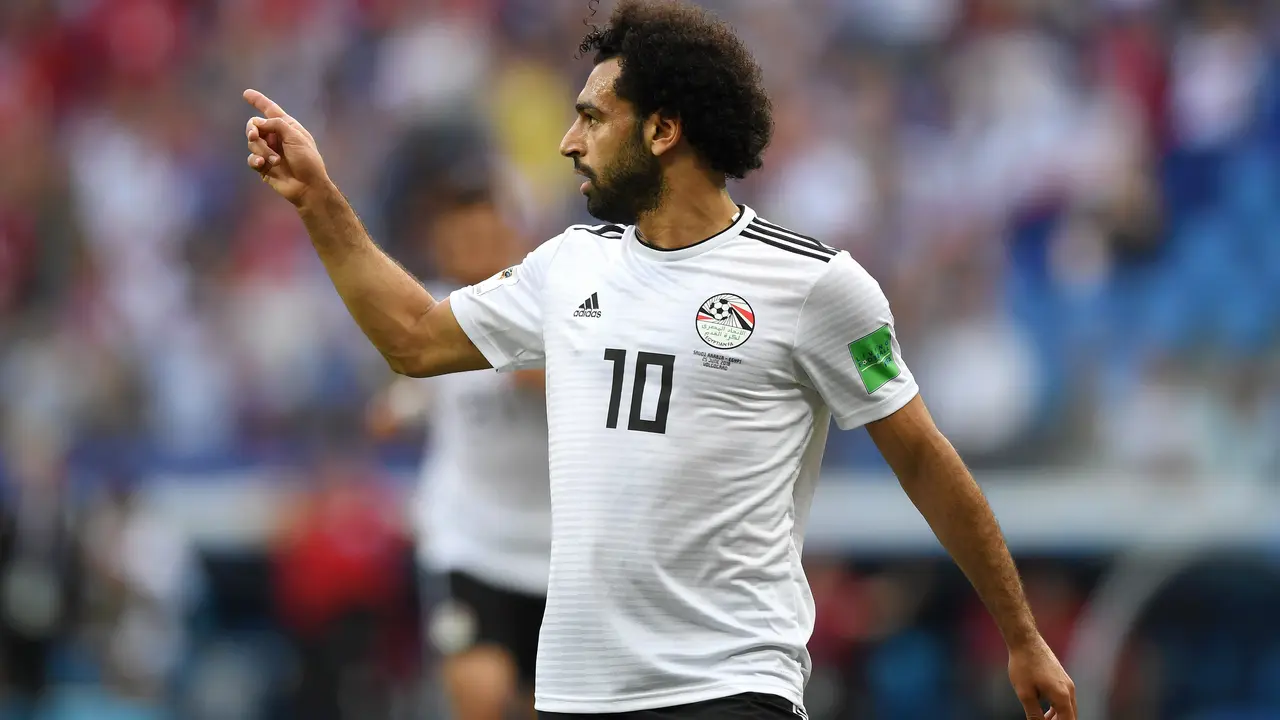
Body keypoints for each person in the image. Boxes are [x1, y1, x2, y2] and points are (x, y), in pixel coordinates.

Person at [240, 1, 1077, 718]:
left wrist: (1022, 636)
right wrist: (318, 199)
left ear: (663, 130)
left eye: (593, 118)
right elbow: (414, 336)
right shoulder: (568, 267)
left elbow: (927, 461)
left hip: (729, 684)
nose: (569, 142)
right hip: (578, 694)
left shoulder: (816, 286)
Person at [368, 120, 551, 720]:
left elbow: (566, 383)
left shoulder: (552, 303)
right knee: (479, 694)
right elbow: (405, 395)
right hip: (468, 541)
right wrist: (396, 408)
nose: (467, 238)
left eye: (483, 219)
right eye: (454, 223)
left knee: (538, 703)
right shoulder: (437, 311)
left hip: (554, 548)